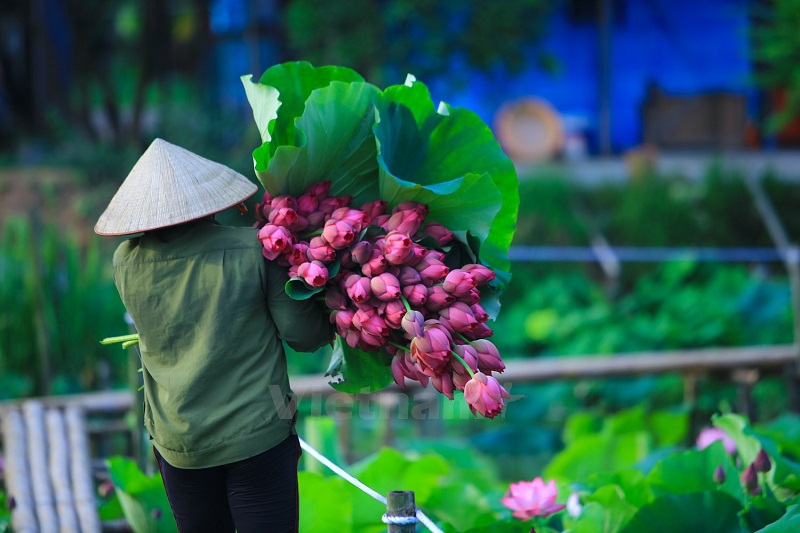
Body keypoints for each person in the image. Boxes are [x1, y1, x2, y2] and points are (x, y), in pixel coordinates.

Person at [95, 138, 333, 532]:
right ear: (210, 199)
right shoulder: (254, 252)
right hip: (257, 437)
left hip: (179, 445)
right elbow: (304, 336)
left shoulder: (126, 261)